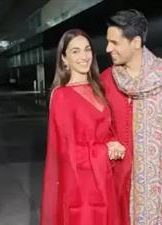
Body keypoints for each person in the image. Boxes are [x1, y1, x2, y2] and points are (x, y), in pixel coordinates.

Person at [100, 9, 162, 225]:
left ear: (135, 42)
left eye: (114, 42)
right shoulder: (106, 80)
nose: (108, 48)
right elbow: (97, 127)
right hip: (115, 182)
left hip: (157, 183)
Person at [40, 29, 125, 225]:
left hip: (104, 179)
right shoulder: (61, 96)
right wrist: (104, 151)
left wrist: (113, 143)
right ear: (64, 59)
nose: (84, 56)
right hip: (81, 186)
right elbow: (67, 152)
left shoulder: (98, 88)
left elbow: (106, 130)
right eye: (75, 51)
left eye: (87, 50)